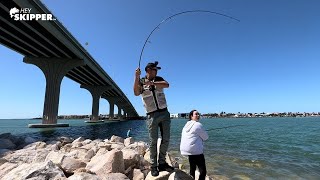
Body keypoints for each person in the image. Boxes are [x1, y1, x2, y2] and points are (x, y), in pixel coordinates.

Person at [133, 61, 174, 176]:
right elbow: (136, 92)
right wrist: (136, 77)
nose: (157, 71)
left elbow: (167, 85)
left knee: (166, 139)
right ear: (148, 70)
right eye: (155, 69)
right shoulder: (141, 81)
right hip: (151, 115)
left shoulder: (159, 78)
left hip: (164, 113)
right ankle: (153, 166)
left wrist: (153, 84)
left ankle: (162, 163)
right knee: (153, 141)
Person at [180, 110, 208, 180]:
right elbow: (206, 137)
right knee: (203, 171)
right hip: (196, 151)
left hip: (187, 150)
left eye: (198, 114)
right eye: (196, 114)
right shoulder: (198, 124)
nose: (198, 115)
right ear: (191, 116)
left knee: (192, 168)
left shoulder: (186, 125)